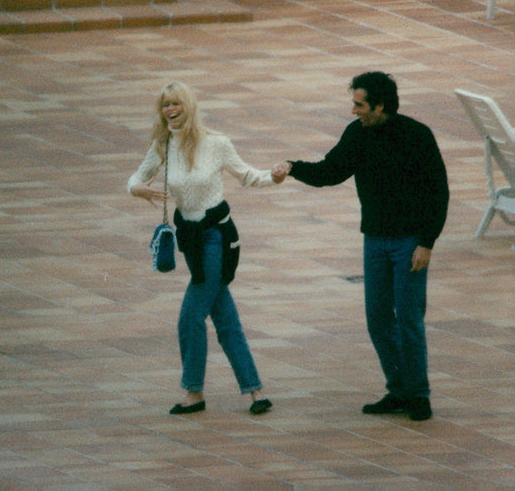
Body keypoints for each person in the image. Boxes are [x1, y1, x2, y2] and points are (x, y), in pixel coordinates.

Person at [275, 72, 449, 421]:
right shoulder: (357, 134)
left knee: (409, 320)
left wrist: (426, 243)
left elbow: (438, 192)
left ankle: (418, 396)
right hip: (375, 241)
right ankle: (398, 390)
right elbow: (330, 171)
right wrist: (292, 167)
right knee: (378, 321)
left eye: (359, 104)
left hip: (410, 243)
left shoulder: (417, 135)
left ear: (380, 105)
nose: (353, 110)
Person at [128, 81, 287, 415]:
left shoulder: (216, 143)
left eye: (176, 103)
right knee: (224, 315)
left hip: (218, 237)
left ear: (189, 106)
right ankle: (256, 391)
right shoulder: (163, 144)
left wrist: (274, 176)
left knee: (190, 317)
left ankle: (193, 392)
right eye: (165, 105)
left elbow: (247, 176)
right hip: (190, 240)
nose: (171, 110)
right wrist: (138, 189)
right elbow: (135, 179)